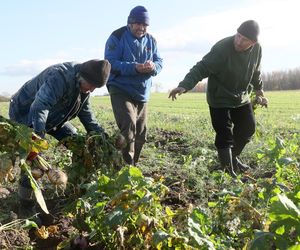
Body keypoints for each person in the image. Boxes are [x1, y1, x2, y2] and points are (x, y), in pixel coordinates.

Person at [9, 59, 111, 218]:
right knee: (34, 163)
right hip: (26, 113)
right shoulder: (60, 76)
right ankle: (26, 207)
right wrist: (38, 136)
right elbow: (40, 106)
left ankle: (75, 190)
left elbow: (87, 116)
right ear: (81, 76)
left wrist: (101, 137)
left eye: (95, 87)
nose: (91, 90)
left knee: (80, 146)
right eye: (91, 85)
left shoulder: (84, 88)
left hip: (55, 118)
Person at [169, 20, 268, 176]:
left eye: (244, 39)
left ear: (253, 43)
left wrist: (259, 91)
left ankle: (232, 159)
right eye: (238, 36)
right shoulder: (222, 48)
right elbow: (201, 68)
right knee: (224, 134)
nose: (239, 41)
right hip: (219, 97)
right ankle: (228, 171)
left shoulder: (257, 50)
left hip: (241, 96)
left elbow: (255, 72)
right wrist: (185, 85)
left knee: (248, 128)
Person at [104, 6, 163, 165]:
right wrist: (135, 67)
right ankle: (126, 167)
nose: (141, 28)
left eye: (145, 25)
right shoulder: (117, 37)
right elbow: (110, 63)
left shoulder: (151, 40)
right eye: (138, 24)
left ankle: (133, 166)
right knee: (129, 127)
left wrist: (153, 67)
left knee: (141, 133)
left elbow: (159, 62)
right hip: (120, 88)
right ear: (130, 23)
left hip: (142, 92)